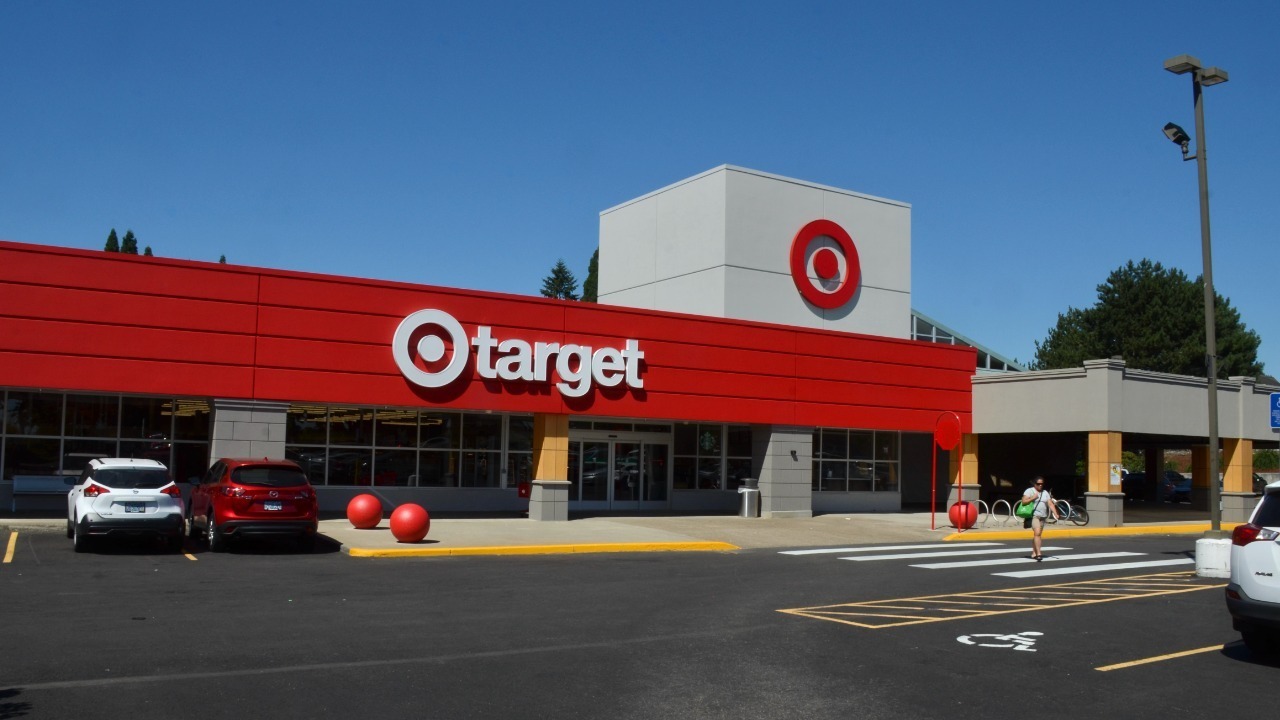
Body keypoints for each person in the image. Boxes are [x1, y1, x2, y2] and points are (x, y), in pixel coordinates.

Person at [1019, 476, 1060, 561]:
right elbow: (1023, 501)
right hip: (1034, 515)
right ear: (1035, 484)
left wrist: (1055, 513)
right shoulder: (1029, 491)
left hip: (1043, 516)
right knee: (1037, 533)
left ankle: (1034, 552)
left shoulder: (1045, 492)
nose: (1040, 485)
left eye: (1042, 484)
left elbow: (1050, 503)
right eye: (1038, 484)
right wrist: (1033, 498)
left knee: (1037, 535)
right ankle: (1039, 553)